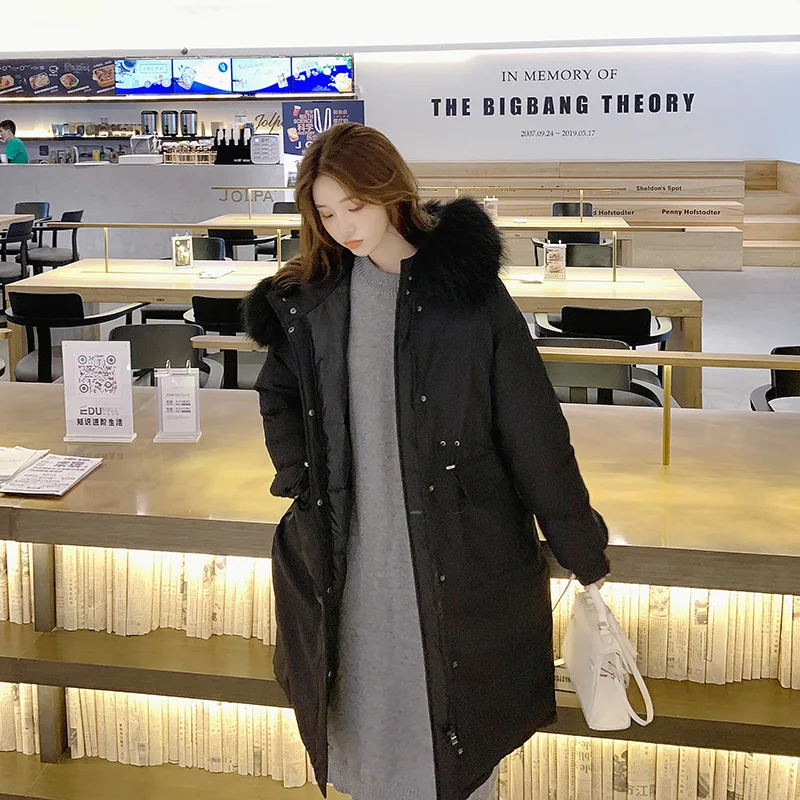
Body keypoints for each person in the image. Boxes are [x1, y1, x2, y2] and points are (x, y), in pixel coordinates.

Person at [243, 122, 610, 800]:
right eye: (326, 213)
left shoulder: (466, 296)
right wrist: (300, 478)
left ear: (391, 192)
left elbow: (532, 427)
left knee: (456, 721)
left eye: (355, 206)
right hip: (346, 552)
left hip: (455, 548)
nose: (343, 227)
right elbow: (278, 395)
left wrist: (578, 543)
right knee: (356, 718)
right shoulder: (312, 300)